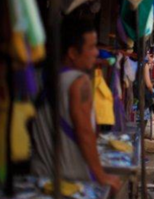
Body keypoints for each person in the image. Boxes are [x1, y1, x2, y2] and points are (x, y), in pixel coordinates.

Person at [32, 20, 121, 194]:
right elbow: (85, 133)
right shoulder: (79, 82)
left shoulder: (38, 77)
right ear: (72, 52)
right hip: (70, 181)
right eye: (92, 47)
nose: (96, 52)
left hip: (39, 178)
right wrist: (101, 175)